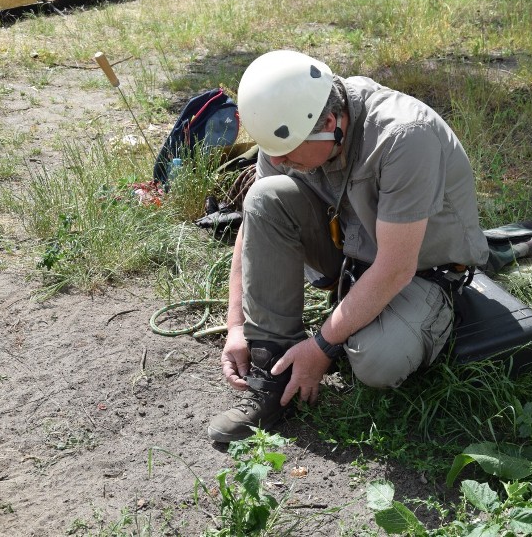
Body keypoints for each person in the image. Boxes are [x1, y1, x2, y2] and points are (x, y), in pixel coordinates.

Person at [207, 50, 490, 442]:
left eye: (288, 154)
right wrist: (236, 325)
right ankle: (273, 373)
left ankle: (422, 321)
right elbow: (253, 222)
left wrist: (322, 346)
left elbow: (395, 267)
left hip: (422, 270)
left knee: (377, 363)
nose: (281, 161)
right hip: (356, 252)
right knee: (264, 197)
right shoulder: (291, 134)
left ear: (329, 123)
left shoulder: (404, 136)